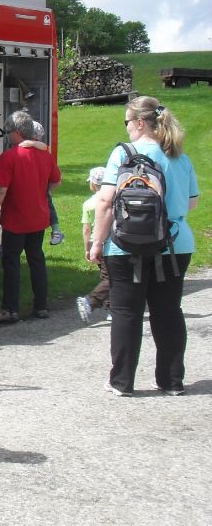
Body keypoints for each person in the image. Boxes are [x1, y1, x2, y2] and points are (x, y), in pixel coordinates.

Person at [88, 97, 199, 396]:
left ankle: (122, 382)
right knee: (168, 311)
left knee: (126, 312)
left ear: (139, 123)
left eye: (127, 121)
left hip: (126, 245)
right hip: (174, 244)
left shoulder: (123, 154)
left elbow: (105, 202)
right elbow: (191, 202)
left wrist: (97, 243)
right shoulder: (179, 156)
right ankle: (171, 381)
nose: (126, 127)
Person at [0, 110, 62, 323]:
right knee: (36, 260)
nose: (7, 135)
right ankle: (41, 306)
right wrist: (42, 192)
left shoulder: (9, 157)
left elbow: (1, 190)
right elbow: (56, 181)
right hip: (39, 218)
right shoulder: (45, 155)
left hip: (16, 220)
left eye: (8, 131)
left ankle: (10, 309)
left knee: (11, 262)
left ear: (17, 132)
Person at [77, 166, 111, 325]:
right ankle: (92, 302)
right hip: (110, 241)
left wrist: (87, 248)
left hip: (95, 242)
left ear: (93, 184)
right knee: (111, 277)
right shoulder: (113, 200)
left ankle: (110, 307)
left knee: (107, 276)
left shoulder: (89, 204)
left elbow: (86, 229)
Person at [22, 120, 65, 245]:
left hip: (31, 187)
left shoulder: (33, 149)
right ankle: (56, 230)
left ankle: (57, 230)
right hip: (39, 187)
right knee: (47, 201)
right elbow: (57, 180)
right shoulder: (44, 152)